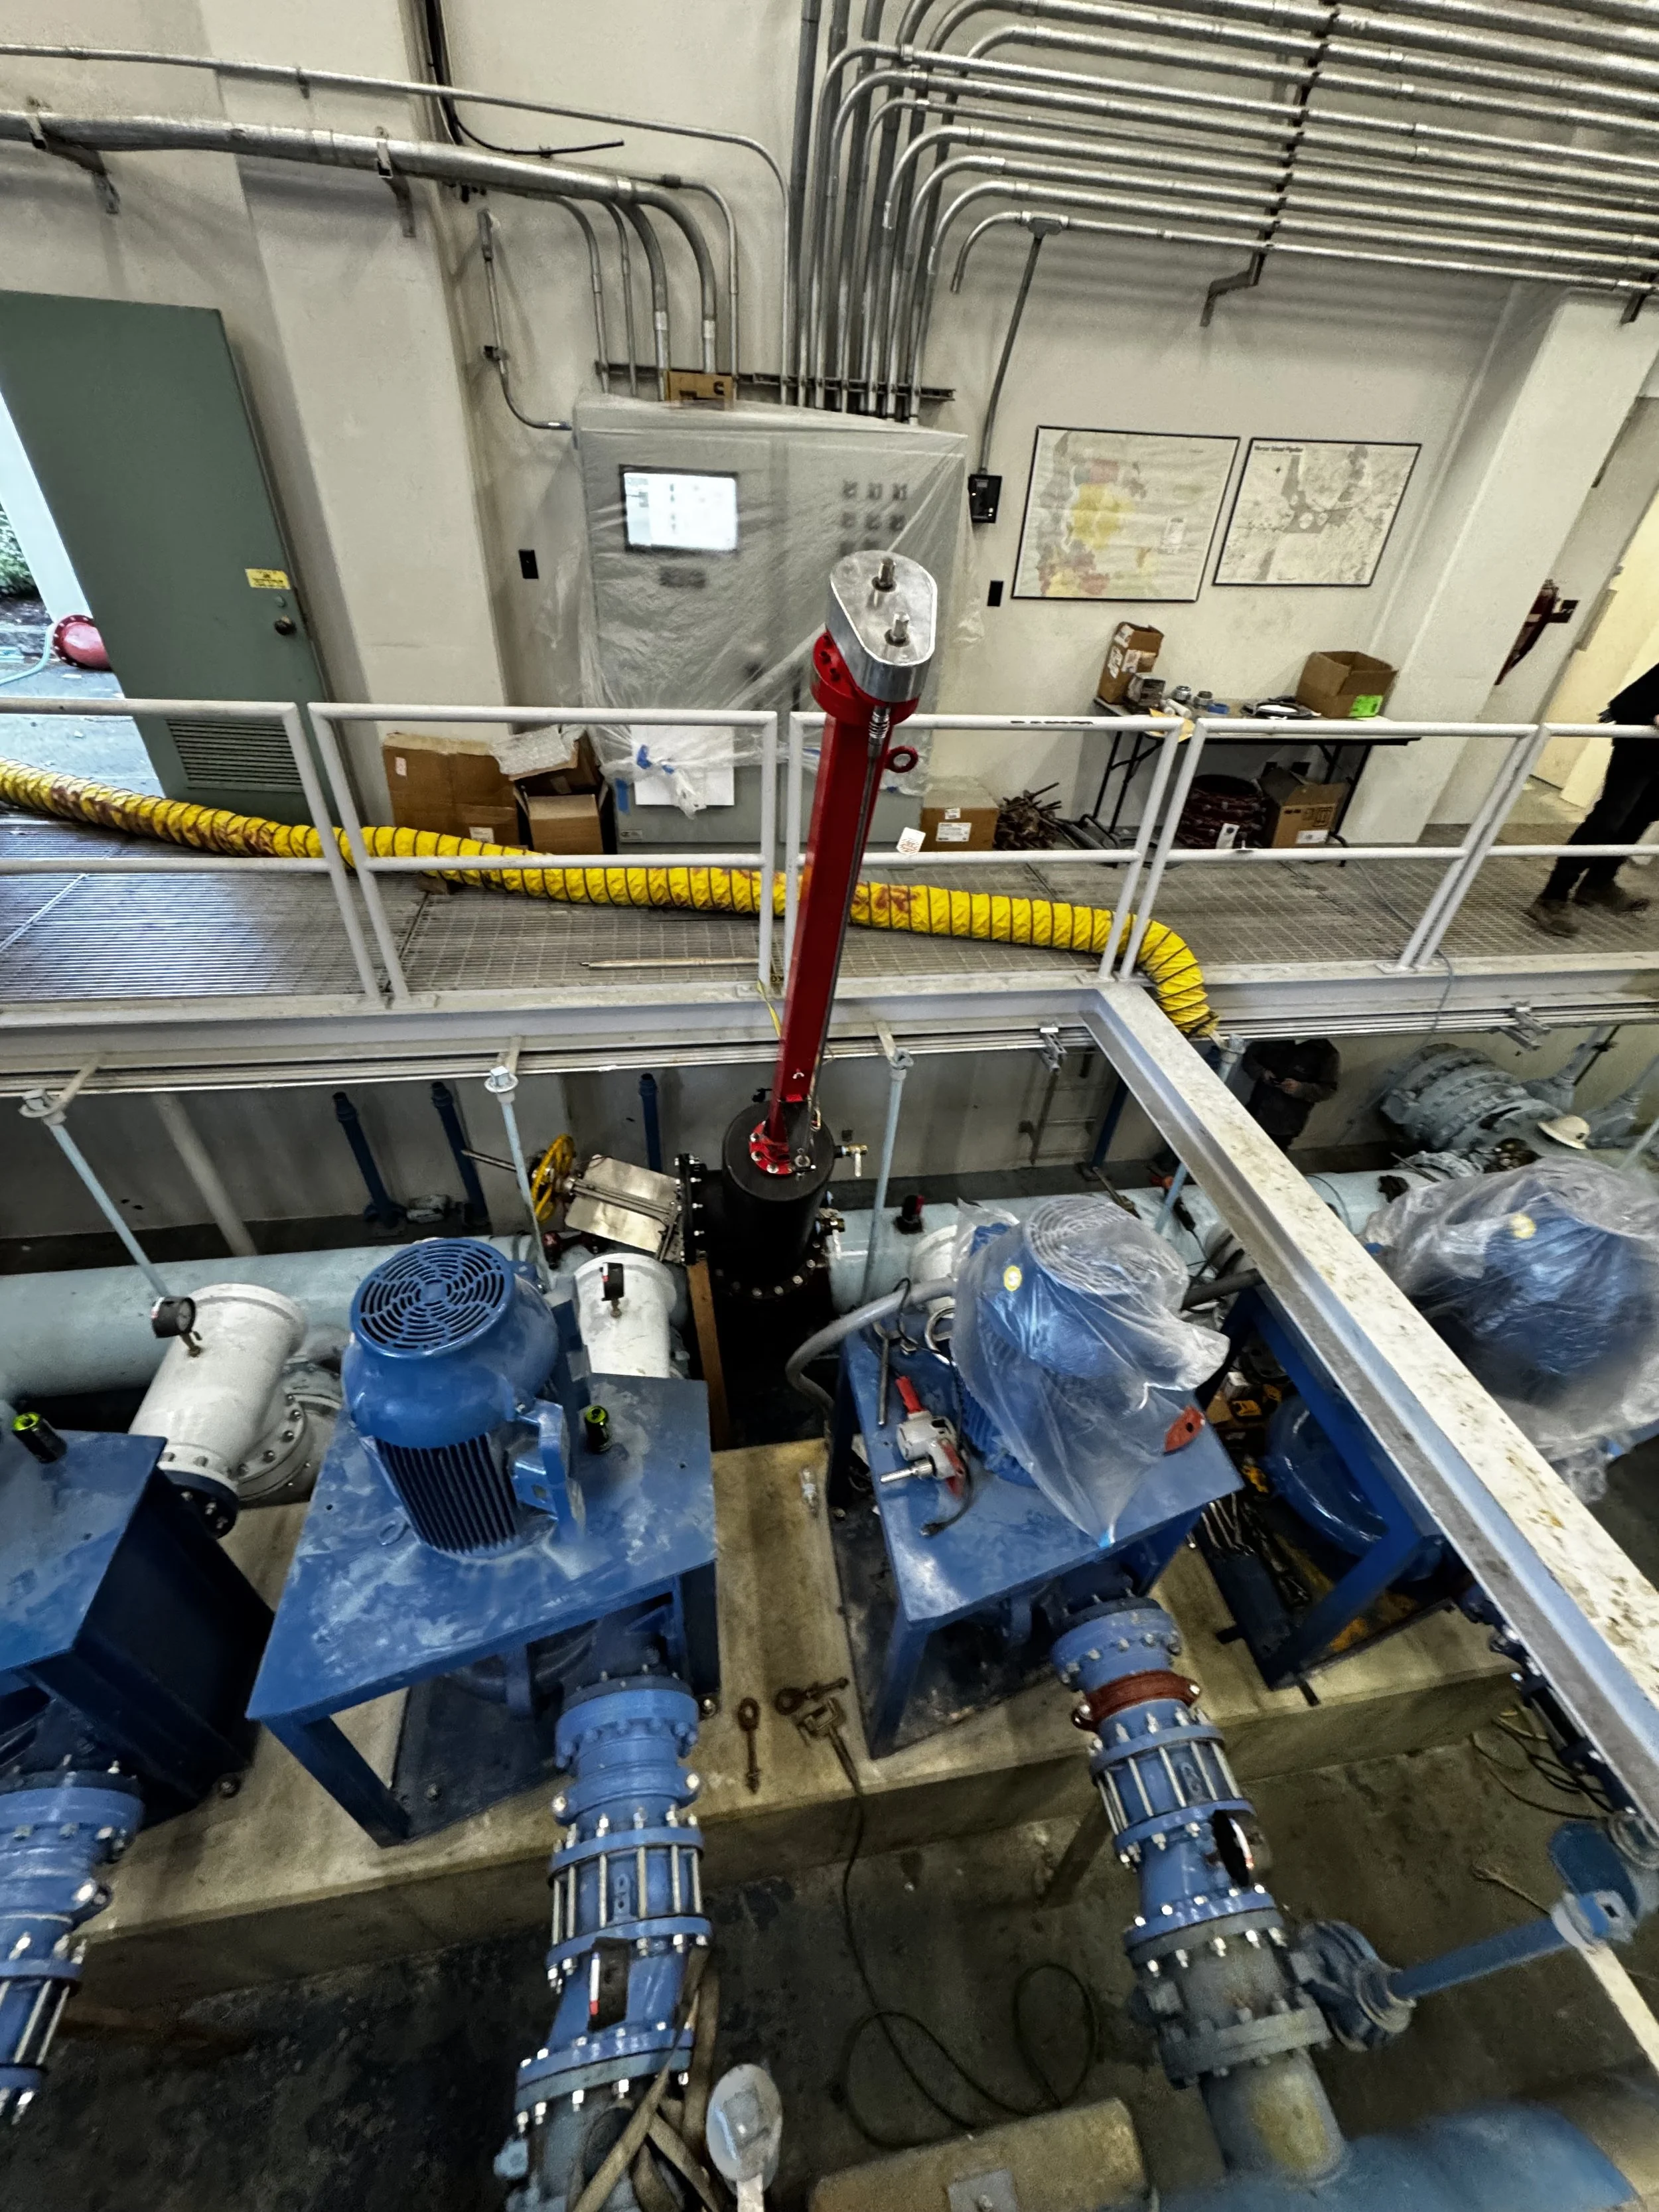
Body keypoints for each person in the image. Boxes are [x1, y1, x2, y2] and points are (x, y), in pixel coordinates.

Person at [1528, 660, 1659, 936]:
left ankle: (1598, 884)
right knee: (1610, 818)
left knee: (1639, 820)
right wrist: (1651, 712)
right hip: (1643, 746)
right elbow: (1634, 701)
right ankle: (1553, 895)